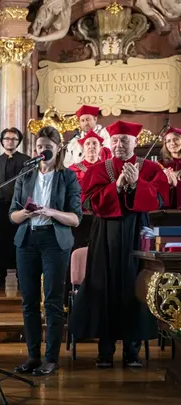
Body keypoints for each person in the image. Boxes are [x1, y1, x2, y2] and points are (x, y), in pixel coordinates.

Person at [70, 120, 169, 368]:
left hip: (138, 232)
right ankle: (105, 350)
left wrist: (137, 185)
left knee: (136, 286)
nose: (119, 145)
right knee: (104, 286)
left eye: (124, 140)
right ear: (109, 143)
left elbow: (159, 199)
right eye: (114, 141)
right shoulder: (99, 169)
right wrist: (116, 187)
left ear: (135, 143)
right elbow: (88, 203)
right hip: (105, 234)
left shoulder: (149, 168)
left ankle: (132, 351)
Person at [10, 126, 82, 377]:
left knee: (51, 302)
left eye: (48, 148)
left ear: (58, 149)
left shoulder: (67, 177)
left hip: (54, 240)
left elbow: (75, 219)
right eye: (39, 147)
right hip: (27, 240)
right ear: (35, 150)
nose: (43, 151)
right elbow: (13, 216)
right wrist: (26, 213)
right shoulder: (25, 175)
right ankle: (33, 356)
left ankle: (51, 358)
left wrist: (51, 212)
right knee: (28, 302)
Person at [0, 128, 30, 288]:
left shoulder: (27, 161)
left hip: (20, 209)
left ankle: (21, 276)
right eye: (7, 138)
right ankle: (0, 276)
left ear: (19, 141)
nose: (10, 141)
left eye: (14, 139)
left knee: (20, 242)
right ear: (2, 141)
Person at [159, 127, 181, 209]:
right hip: (165, 211)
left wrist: (177, 184)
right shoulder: (160, 164)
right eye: (168, 141)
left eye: (176, 139)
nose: (172, 143)